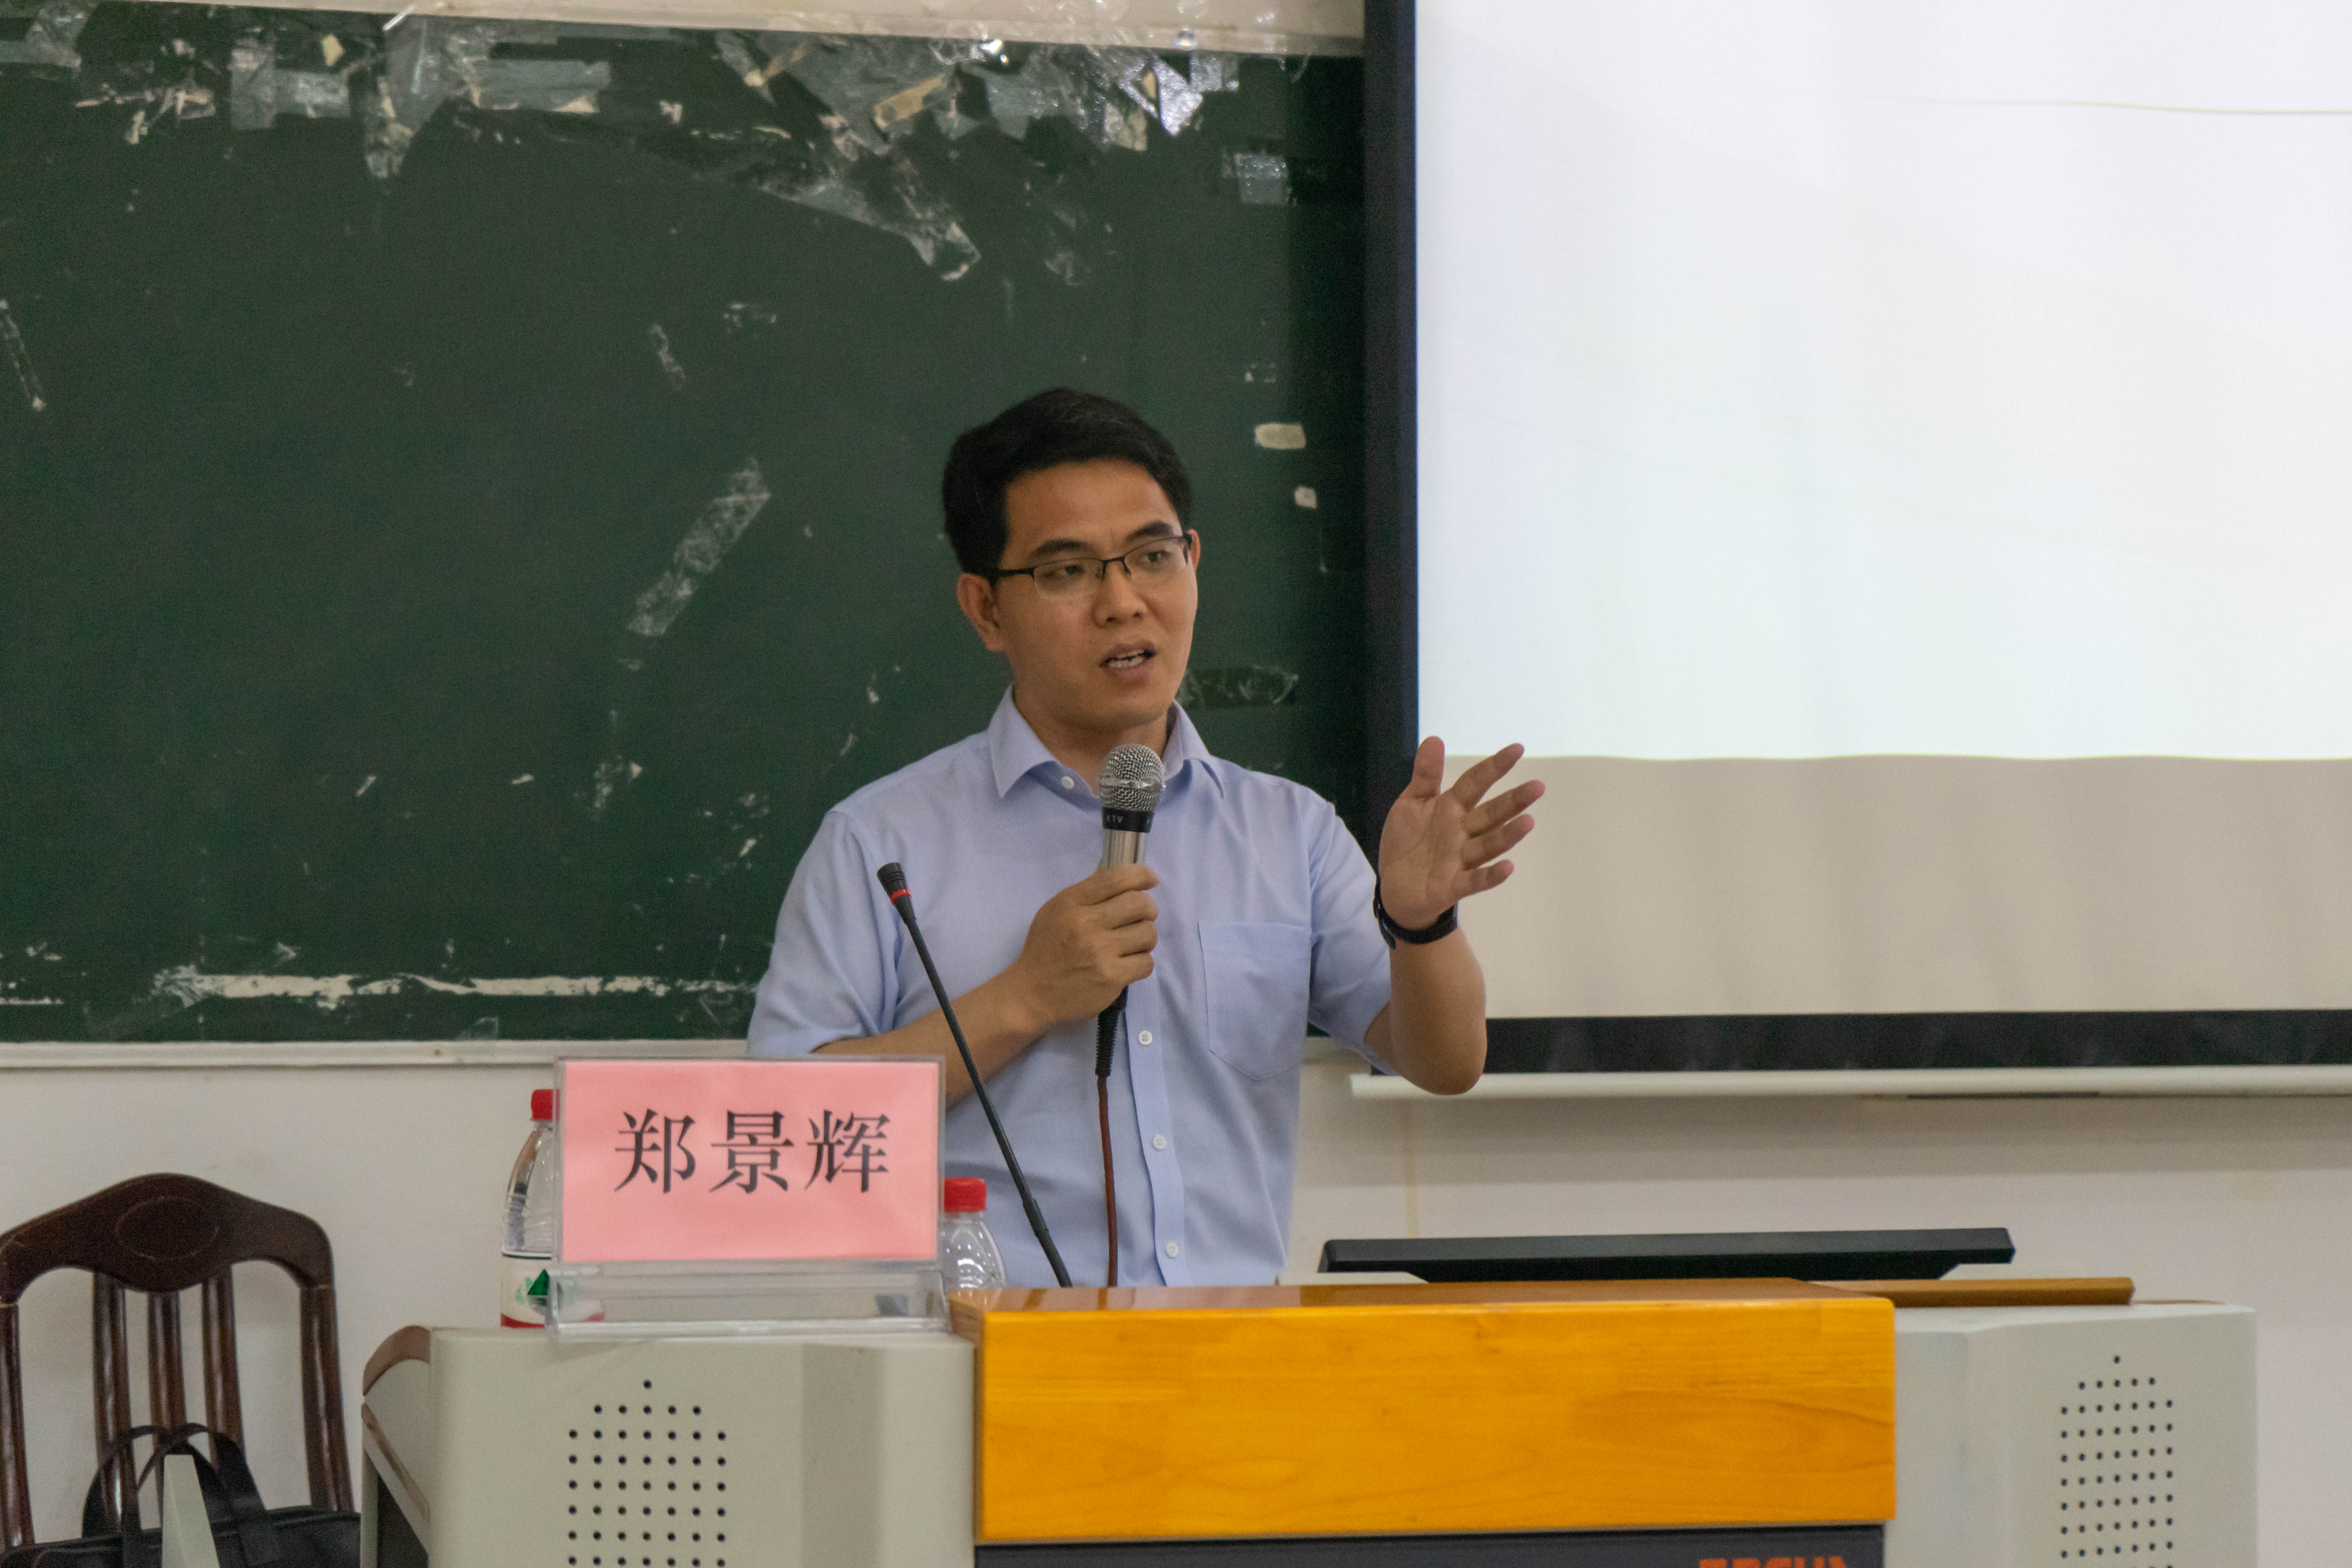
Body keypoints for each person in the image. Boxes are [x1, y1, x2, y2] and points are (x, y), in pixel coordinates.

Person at [748, 389, 1540, 1286]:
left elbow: (1445, 1062)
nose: (1123, 603)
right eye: (1067, 571)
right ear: (986, 609)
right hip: (986, 1354)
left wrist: (1422, 926)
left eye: (1153, 557)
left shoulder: (1289, 830)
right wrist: (1024, 996)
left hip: (1233, 1348)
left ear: (1192, 560)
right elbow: (789, 1128)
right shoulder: (880, 841)